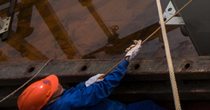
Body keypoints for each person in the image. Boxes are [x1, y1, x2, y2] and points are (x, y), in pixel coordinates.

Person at [17, 42, 160, 110]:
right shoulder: (69, 102)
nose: (58, 84)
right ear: (49, 100)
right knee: (149, 106)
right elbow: (104, 87)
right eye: (54, 88)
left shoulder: (52, 106)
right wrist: (127, 59)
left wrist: (85, 84)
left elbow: (71, 94)